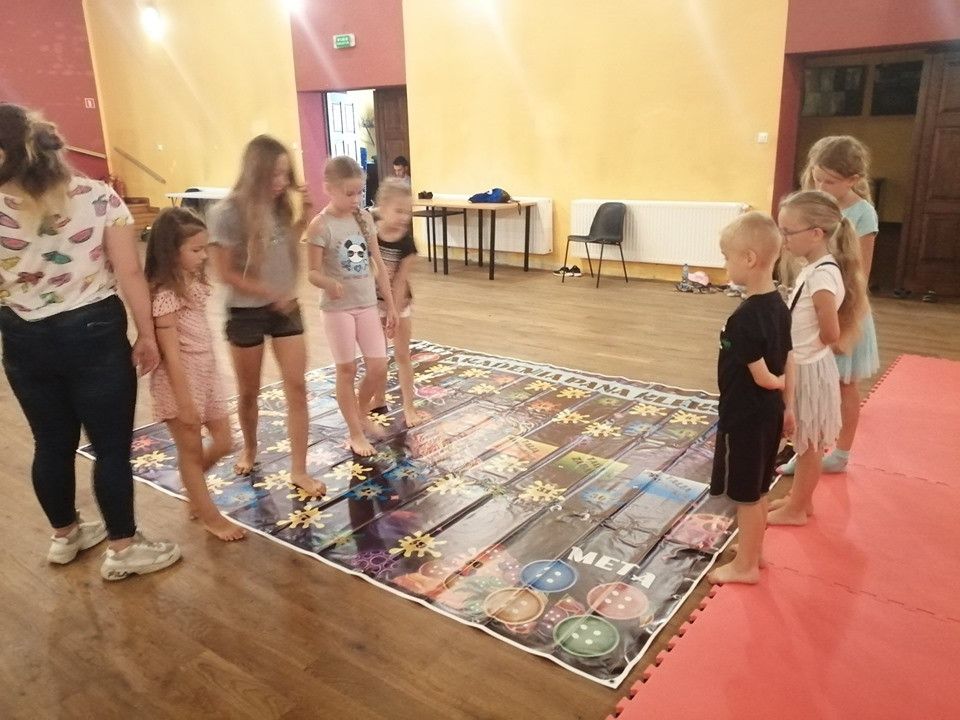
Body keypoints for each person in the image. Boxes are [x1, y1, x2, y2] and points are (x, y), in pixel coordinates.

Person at [0, 103, 180, 579]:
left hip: (22, 335)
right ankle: (123, 547)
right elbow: (129, 272)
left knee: (50, 443)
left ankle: (65, 535)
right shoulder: (98, 197)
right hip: (93, 332)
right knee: (110, 446)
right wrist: (147, 333)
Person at [208, 135, 326, 496]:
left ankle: (299, 470)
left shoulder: (279, 207)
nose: (281, 182)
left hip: (285, 309)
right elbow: (224, 273)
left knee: (297, 387)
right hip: (245, 314)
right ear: (255, 172)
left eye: (285, 174)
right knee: (249, 392)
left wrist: (304, 218)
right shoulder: (226, 213)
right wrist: (268, 293)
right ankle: (249, 447)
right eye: (274, 175)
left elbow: (282, 247)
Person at [777, 136, 879, 476]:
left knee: (842, 384)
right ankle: (807, 446)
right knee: (809, 384)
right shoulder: (814, 205)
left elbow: (860, 275)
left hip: (844, 311)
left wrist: (838, 321)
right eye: (817, 178)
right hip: (816, 309)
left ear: (854, 179)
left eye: (830, 181)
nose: (822, 186)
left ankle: (840, 452)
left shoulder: (862, 214)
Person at [768, 190, 868, 526]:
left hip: (810, 368)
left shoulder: (823, 275)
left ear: (815, 233)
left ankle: (797, 510)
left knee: (809, 444)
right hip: (803, 363)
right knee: (804, 442)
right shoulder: (813, 268)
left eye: (788, 232)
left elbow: (830, 332)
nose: (783, 239)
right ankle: (802, 501)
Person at [145, 208, 245, 541]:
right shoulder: (165, 295)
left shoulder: (192, 283)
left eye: (205, 248)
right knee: (190, 453)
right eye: (196, 250)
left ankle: (193, 486)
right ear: (171, 251)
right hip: (180, 383)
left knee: (225, 440)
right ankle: (210, 516)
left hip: (205, 374)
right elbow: (171, 356)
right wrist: (184, 401)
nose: (204, 256)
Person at [707, 212, 793, 585]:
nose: (725, 265)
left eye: (727, 257)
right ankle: (753, 553)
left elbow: (765, 377)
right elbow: (789, 358)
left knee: (746, 495)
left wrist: (779, 384)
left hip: (745, 416)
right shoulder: (779, 306)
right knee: (759, 489)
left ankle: (745, 567)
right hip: (769, 414)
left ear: (749, 258)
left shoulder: (742, 320)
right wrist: (788, 405)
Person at [307, 156, 399, 456]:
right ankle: (355, 432)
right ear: (328, 189)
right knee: (346, 369)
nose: (355, 198)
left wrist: (391, 305)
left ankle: (360, 413)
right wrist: (328, 283)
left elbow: (379, 265)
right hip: (338, 310)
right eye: (349, 193)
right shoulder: (320, 225)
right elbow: (312, 273)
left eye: (359, 192)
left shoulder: (364, 218)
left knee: (378, 366)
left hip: (367, 304)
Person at [368, 178, 428, 428]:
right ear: (382, 207)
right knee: (377, 355)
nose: (405, 217)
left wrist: (394, 311)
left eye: (408, 211)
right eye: (399, 211)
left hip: (399, 303)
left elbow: (401, 281)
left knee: (402, 354)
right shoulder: (369, 232)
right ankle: (378, 396)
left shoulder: (407, 243)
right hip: (373, 302)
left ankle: (409, 406)